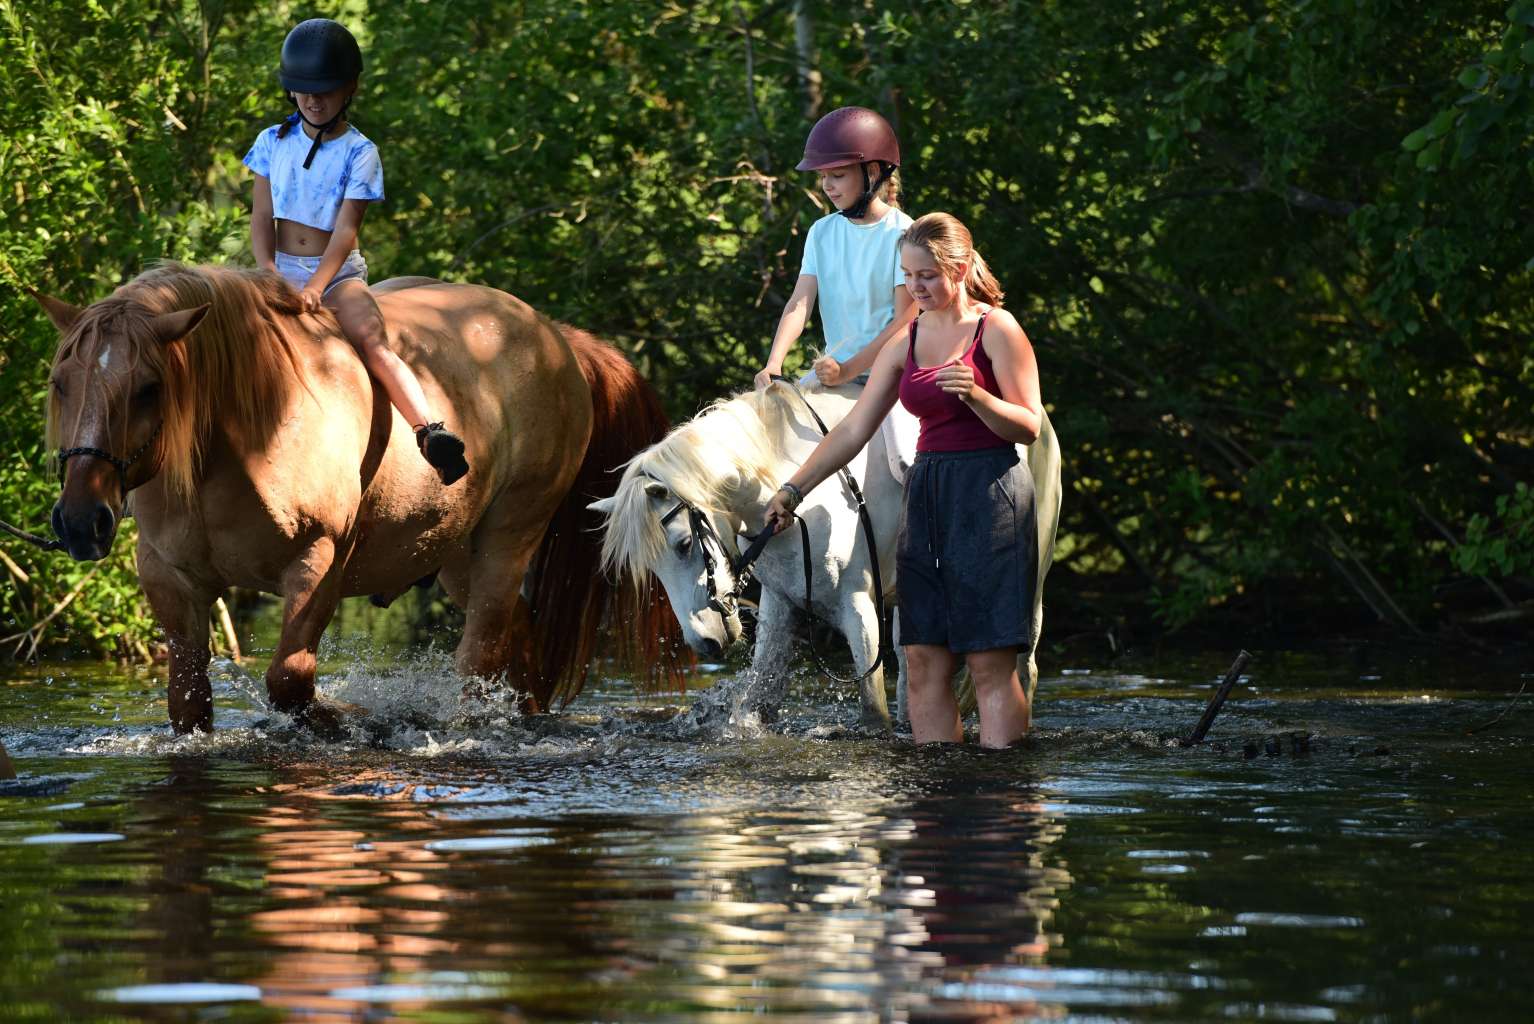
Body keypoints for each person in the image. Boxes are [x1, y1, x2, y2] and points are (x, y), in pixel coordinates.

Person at [765, 212, 1043, 748]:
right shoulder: (907, 338)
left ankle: (1002, 784)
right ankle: (937, 782)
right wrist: (792, 490)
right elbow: (854, 429)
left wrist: (977, 396)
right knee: (921, 659)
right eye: (909, 276)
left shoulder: (997, 328)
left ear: (959, 269)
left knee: (987, 662)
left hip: (990, 492)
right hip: (927, 492)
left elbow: (1028, 425)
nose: (916, 287)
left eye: (928, 276)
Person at [244, 18, 469, 485]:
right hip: (277, 269)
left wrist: (316, 286)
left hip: (337, 273)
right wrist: (268, 272)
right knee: (224, 340)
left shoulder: (360, 152)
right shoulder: (271, 142)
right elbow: (261, 217)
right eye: (305, 91)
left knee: (370, 338)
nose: (313, 100)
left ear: (349, 89)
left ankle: (428, 431)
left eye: (325, 91)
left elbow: (346, 229)